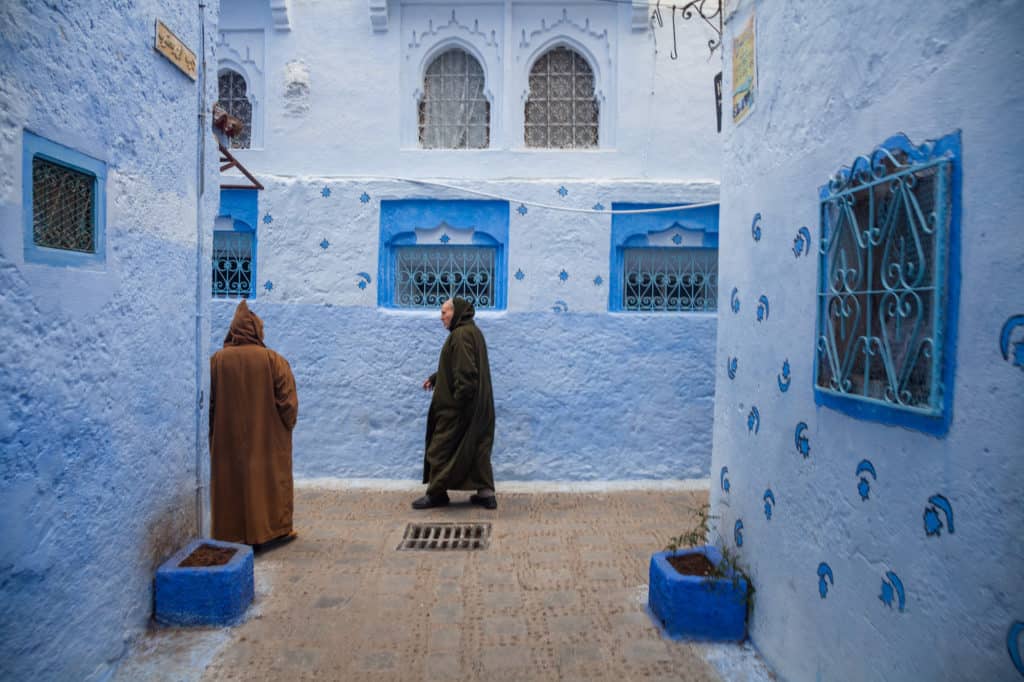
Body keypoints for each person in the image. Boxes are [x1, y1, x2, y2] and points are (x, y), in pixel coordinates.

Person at [209, 300, 299, 547]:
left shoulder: (217, 362)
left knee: (231, 483)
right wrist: (280, 431)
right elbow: (289, 404)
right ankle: (274, 530)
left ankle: (231, 533)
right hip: (268, 442)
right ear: (256, 331)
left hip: (227, 443)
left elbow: (210, 405)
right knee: (269, 482)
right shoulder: (273, 361)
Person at [414, 297, 496, 510]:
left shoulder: (460, 336)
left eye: (444, 312)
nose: (441, 317)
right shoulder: (472, 332)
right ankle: (486, 494)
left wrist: (457, 405)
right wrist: (436, 377)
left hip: (462, 407)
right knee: (478, 448)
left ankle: (437, 494)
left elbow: (466, 373)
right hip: (480, 406)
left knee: (439, 448)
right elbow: (458, 365)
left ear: (456, 312)